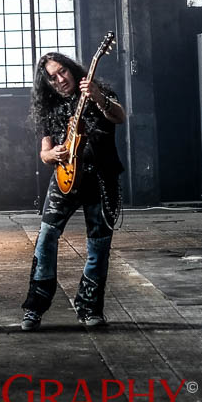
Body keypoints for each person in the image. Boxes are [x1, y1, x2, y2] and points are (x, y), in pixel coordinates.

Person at [21, 51, 126, 331]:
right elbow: (44, 152)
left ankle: (90, 308)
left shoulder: (98, 93)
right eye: (52, 77)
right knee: (46, 238)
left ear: (72, 69)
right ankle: (34, 308)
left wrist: (98, 97)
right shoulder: (49, 105)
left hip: (101, 177)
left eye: (62, 72)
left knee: (98, 245)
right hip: (64, 178)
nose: (59, 80)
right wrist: (51, 154)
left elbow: (119, 116)